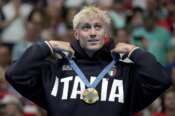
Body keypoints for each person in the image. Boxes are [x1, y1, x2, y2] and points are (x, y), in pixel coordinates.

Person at [5, 6, 171, 116]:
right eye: (86, 27)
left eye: (98, 27)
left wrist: (135, 52)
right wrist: (47, 46)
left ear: (106, 33)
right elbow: (15, 74)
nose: (92, 33)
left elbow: (162, 79)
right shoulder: (54, 70)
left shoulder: (125, 72)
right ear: (76, 34)